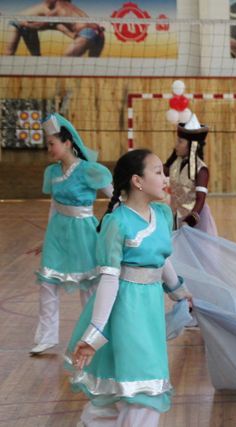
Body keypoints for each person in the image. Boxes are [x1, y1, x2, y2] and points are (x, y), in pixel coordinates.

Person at [66, 149, 192, 427]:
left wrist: (179, 292)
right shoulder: (117, 222)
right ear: (137, 181)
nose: (165, 178)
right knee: (143, 388)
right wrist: (95, 333)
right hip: (125, 311)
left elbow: (162, 258)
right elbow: (109, 279)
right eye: (158, 172)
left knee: (124, 388)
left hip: (149, 310)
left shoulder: (161, 214)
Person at [30, 113, 112, 355]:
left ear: (67, 143)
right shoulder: (52, 172)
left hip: (83, 233)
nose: (49, 149)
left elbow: (115, 197)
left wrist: (116, 225)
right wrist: (46, 238)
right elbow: (54, 206)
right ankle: (46, 337)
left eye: (52, 143)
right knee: (47, 283)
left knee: (89, 286)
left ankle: (92, 336)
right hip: (57, 234)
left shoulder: (89, 170)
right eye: (47, 144)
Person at [165, 113, 217, 236]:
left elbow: (200, 199)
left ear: (192, 146)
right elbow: (160, 172)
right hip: (175, 216)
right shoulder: (175, 164)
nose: (176, 145)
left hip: (194, 218)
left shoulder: (201, 170)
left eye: (180, 142)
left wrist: (189, 221)